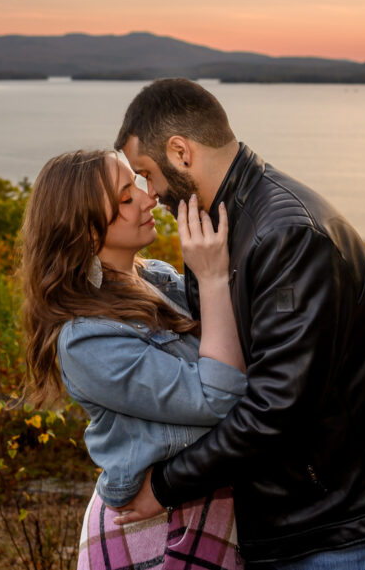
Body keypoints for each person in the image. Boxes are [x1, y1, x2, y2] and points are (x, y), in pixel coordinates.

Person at [112, 78, 365, 569]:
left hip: (338, 528)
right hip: (299, 515)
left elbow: (276, 408)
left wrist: (164, 486)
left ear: (180, 152)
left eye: (147, 174)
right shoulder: (217, 224)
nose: (150, 194)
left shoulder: (288, 237)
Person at [20, 149, 248, 570]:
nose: (148, 198)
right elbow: (217, 398)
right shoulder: (86, 339)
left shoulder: (157, 279)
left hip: (204, 507)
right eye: (126, 198)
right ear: (87, 233)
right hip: (154, 536)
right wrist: (212, 277)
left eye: (138, 184)